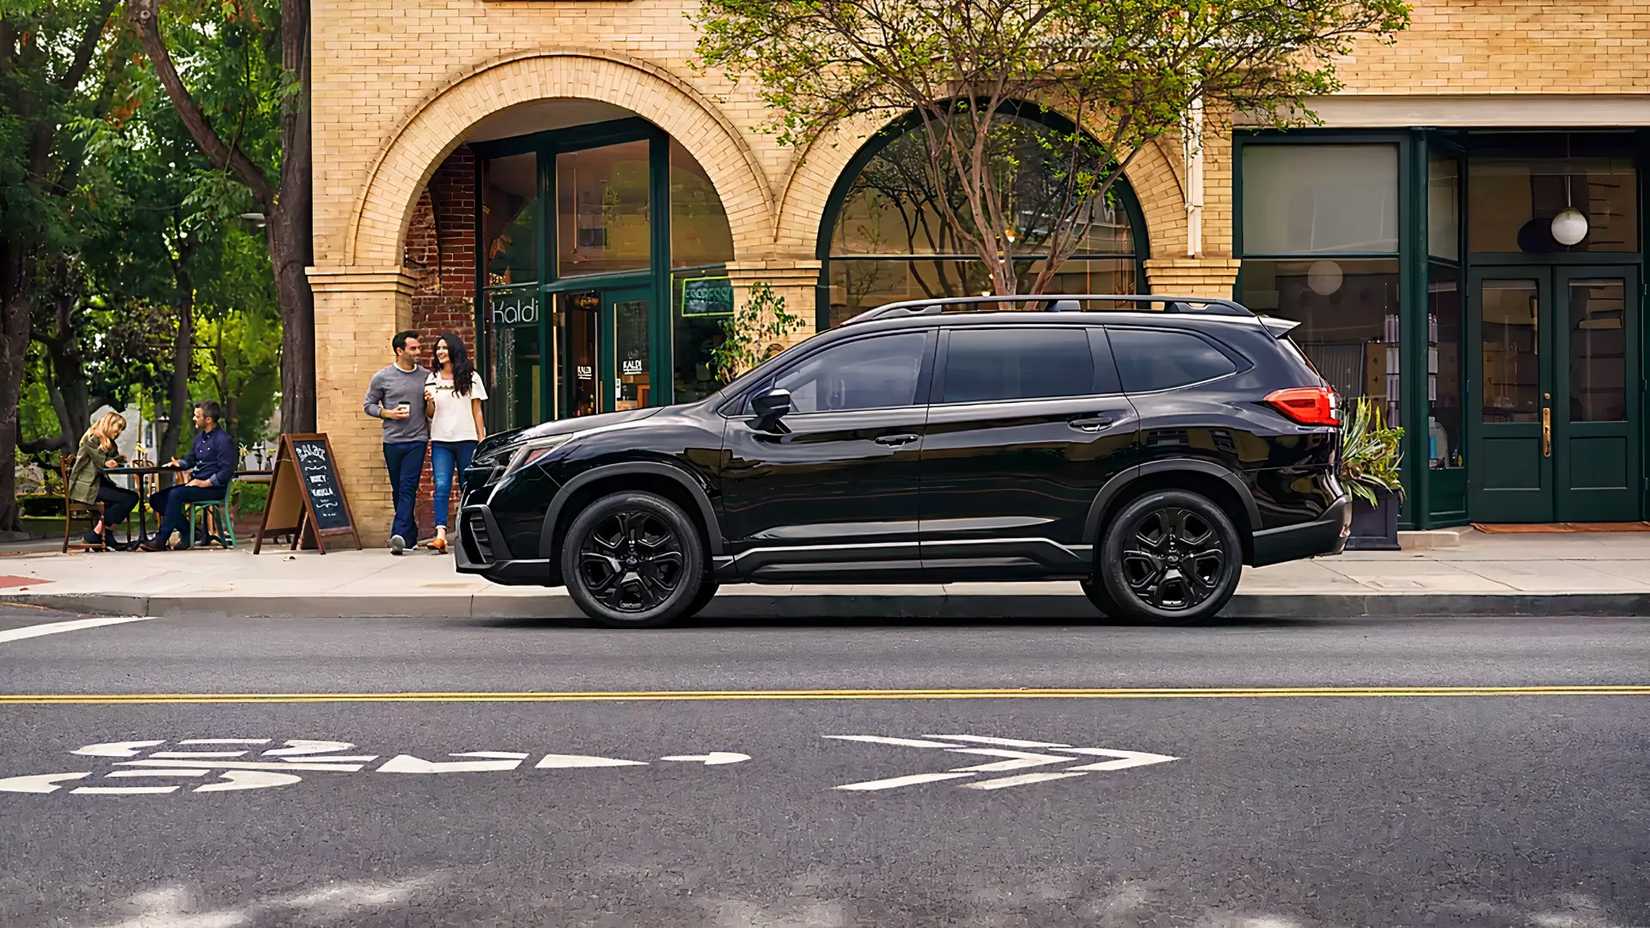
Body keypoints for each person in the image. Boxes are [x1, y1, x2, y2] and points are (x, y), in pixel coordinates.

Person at [363, 330, 430, 554]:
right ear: (400, 351)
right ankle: (410, 536)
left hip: (417, 439)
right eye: (413, 348)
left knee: (408, 487)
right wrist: (388, 414)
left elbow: (431, 411)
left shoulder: (426, 376)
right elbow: (368, 406)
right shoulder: (382, 377)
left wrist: (430, 401)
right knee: (398, 489)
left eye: (418, 347)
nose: (418, 351)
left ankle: (397, 534)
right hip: (392, 441)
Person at [140, 401, 236, 552]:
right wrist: (179, 463)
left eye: (197, 416)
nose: (193, 418)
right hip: (195, 485)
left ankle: (161, 539)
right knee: (156, 499)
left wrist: (206, 483)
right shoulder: (199, 439)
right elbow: (190, 459)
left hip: (213, 488)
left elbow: (227, 470)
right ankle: (188, 532)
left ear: (208, 419)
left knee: (175, 494)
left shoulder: (223, 440)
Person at [423, 332, 488, 554]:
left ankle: (466, 532)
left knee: (467, 486)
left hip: (467, 439)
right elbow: (430, 413)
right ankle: (440, 534)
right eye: (437, 348)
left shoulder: (471, 377)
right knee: (441, 486)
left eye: (444, 348)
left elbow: (477, 410)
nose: (440, 352)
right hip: (441, 439)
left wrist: (482, 439)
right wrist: (429, 403)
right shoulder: (432, 378)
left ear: (454, 350)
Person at [67, 412, 138, 549]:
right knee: (128, 498)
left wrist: (118, 459)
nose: (119, 432)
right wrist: (109, 462)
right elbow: (101, 461)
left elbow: (112, 460)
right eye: (118, 428)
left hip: (99, 484)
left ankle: (107, 538)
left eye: (121, 430)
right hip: (87, 487)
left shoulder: (108, 442)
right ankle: (96, 533)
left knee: (129, 497)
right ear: (108, 424)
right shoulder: (92, 438)